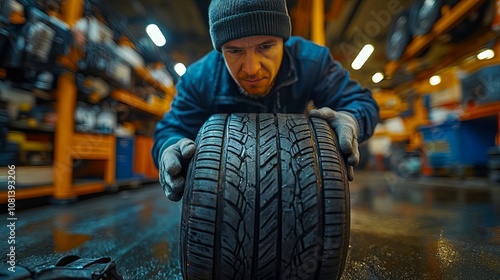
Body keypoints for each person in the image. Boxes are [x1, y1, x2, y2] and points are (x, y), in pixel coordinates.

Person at [152, 0, 380, 201]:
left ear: (283, 40)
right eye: (234, 51)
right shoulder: (199, 79)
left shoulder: (311, 61)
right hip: (228, 186)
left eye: (265, 47)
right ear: (220, 50)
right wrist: (169, 149)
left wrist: (351, 120)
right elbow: (172, 130)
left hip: (295, 177)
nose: (251, 69)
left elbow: (359, 101)